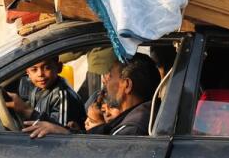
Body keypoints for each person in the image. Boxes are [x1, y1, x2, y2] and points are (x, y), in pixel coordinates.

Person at [24, 53, 159, 138]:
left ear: (127, 85)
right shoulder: (137, 115)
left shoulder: (132, 129)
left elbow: (101, 155)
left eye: (111, 76)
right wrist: (70, 133)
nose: (105, 80)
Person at [4, 55, 86, 130]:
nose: (40, 74)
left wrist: (26, 110)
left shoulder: (62, 96)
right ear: (28, 73)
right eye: (34, 70)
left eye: (47, 68)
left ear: (59, 67)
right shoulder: (38, 88)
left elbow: (60, 133)